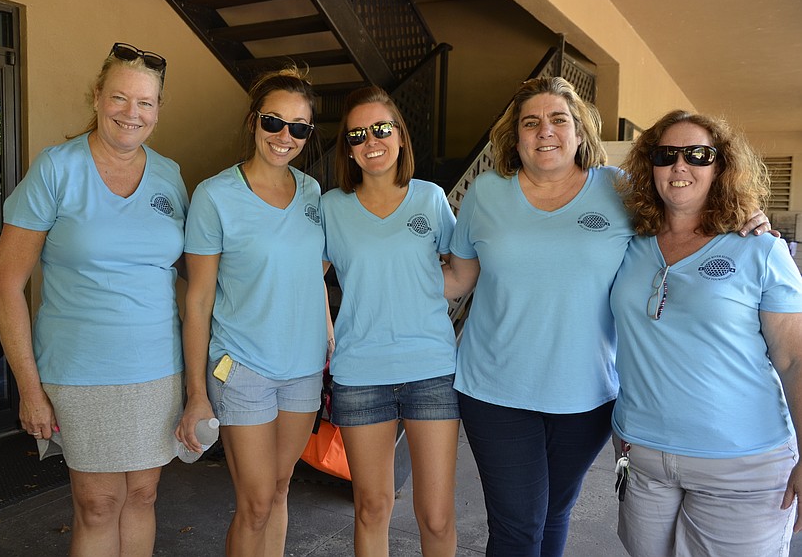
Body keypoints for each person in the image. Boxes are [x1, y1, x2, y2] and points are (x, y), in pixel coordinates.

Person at [440, 77, 773, 556]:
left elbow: (688, 208)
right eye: (530, 123)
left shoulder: (620, 190)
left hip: (587, 395)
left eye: (559, 119)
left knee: (555, 512)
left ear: (580, 133)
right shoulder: (487, 193)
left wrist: (746, 217)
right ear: (516, 138)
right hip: (495, 388)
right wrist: (383, 277)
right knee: (518, 523)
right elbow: (458, 279)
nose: (545, 131)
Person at [0, 42, 186, 555]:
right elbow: (5, 283)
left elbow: (191, 271)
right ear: (98, 97)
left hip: (157, 368)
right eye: (120, 98)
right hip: (79, 371)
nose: (132, 113)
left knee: (143, 495)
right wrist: (29, 389)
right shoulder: (56, 168)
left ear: (159, 109)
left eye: (145, 103)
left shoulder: (170, 175)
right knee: (98, 504)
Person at [610, 110, 802, 556]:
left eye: (698, 154)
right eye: (666, 155)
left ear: (720, 168)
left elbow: (793, 359)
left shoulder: (760, 249)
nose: (681, 165)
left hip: (742, 464)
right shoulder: (627, 243)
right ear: (650, 167)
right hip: (642, 456)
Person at [176, 67, 331, 557]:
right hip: (242, 367)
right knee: (257, 502)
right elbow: (197, 300)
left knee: (281, 488)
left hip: (303, 368)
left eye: (300, 127)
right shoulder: (215, 195)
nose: (285, 137)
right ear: (252, 122)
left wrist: (325, 327)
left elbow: (314, 270)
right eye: (274, 122)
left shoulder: (312, 194)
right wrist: (196, 392)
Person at [321, 86, 460, 556]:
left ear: (400, 136)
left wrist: (416, 292)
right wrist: (325, 329)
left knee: (436, 516)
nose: (371, 141)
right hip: (361, 373)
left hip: (431, 370)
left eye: (382, 128)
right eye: (357, 134)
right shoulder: (331, 208)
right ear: (348, 147)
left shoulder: (430, 199)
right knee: (371, 507)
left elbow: (460, 269)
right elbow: (303, 279)